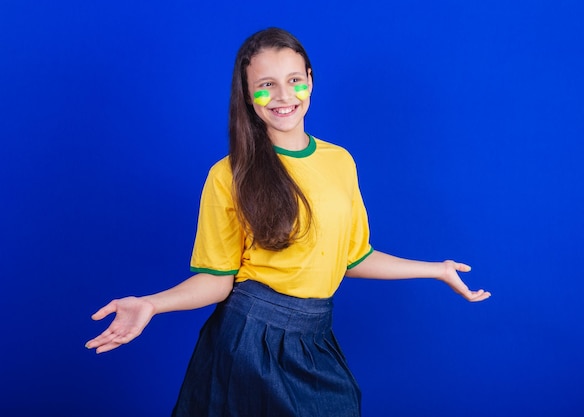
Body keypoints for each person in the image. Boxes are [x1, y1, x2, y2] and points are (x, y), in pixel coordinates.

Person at [86, 27, 491, 417]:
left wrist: (436, 271)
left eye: (293, 79)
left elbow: (351, 258)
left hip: (315, 333)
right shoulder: (228, 175)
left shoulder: (340, 161)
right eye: (265, 84)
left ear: (310, 81)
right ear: (247, 94)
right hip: (249, 338)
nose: (283, 96)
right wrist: (151, 305)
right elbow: (216, 279)